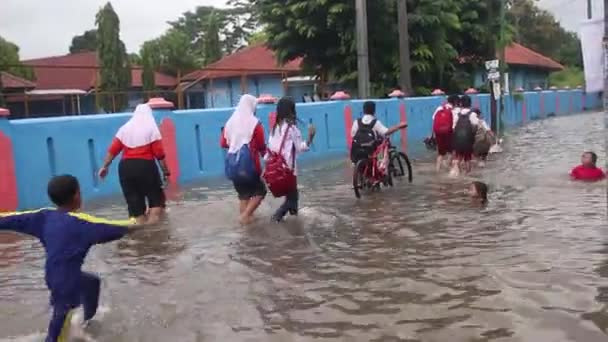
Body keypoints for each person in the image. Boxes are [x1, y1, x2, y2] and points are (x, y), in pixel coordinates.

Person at [0, 175, 140, 342]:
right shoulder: (83, 225)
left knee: (92, 283)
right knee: (56, 334)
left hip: (55, 276)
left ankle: (86, 323)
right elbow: (114, 227)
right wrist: (142, 224)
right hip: (67, 286)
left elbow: (12, 219)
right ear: (76, 196)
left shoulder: (43, 217)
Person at [98, 104, 169, 225]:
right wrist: (166, 172)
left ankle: (140, 238)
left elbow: (113, 150)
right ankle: (154, 237)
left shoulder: (124, 128)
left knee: (135, 207)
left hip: (125, 169)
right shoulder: (151, 128)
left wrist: (104, 166)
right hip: (145, 167)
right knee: (156, 202)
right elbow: (159, 154)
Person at [266, 97, 315, 222]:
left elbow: (270, 149)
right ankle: (275, 218)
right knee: (292, 198)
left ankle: (295, 225)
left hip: (276, 169)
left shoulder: (274, 128)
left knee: (292, 198)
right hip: (288, 170)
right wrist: (310, 137)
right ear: (292, 110)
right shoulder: (292, 129)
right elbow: (299, 148)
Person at [220, 94, 267, 225]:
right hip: (249, 165)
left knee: (244, 194)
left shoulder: (229, 122)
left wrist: (237, 142)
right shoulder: (255, 123)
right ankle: (245, 216)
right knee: (260, 191)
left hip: (233, 165)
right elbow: (261, 145)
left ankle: (245, 225)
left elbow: (223, 143)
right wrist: (268, 159)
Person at [450, 95, 480, 176]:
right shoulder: (472, 114)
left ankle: (455, 170)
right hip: (467, 140)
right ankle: (467, 174)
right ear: (470, 103)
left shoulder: (457, 114)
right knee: (467, 158)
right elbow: (476, 126)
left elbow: (453, 128)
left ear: (461, 104)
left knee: (458, 156)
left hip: (457, 140)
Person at [431, 95, 459, 171]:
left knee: (440, 153)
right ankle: (447, 164)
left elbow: (434, 119)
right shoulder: (455, 111)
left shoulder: (439, 108)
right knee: (451, 151)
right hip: (449, 132)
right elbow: (454, 124)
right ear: (455, 102)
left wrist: (432, 133)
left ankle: (437, 170)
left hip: (438, 132)